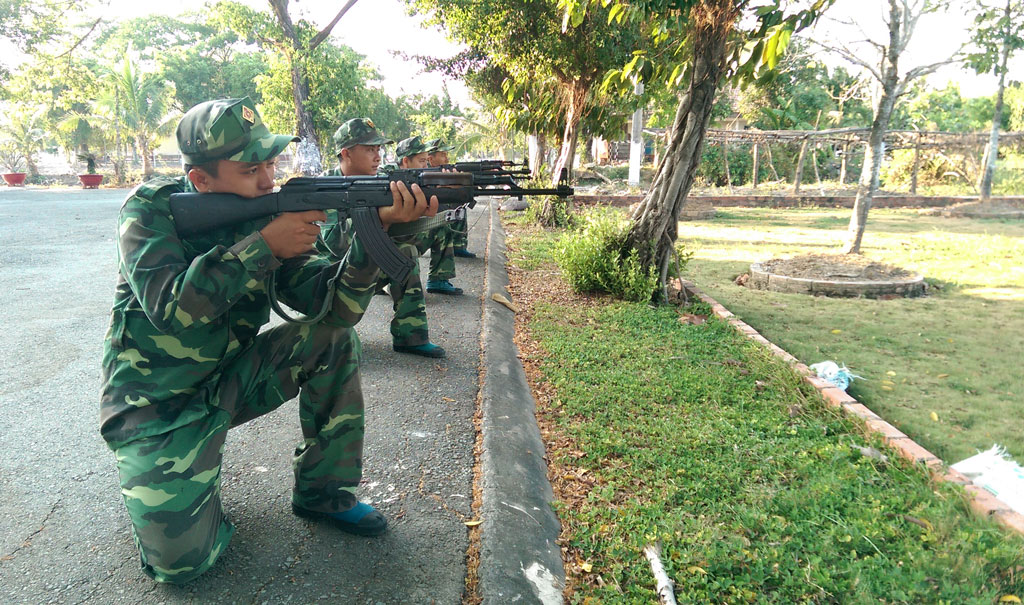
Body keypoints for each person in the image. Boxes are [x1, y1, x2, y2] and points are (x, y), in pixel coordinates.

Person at [99, 98, 437, 584]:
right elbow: (172, 310)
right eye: (251, 168)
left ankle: (324, 492)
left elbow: (336, 309)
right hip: (156, 409)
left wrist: (380, 231)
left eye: (271, 163)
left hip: (229, 383)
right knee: (183, 568)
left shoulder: (270, 214)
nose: (267, 179)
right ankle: (184, 478)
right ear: (201, 182)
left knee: (332, 340)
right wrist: (265, 247)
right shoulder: (151, 212)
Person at [323, 119, 448, 359]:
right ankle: (328, 333)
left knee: (405, 252)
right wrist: (383, 218)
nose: (377, 156)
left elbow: (405, 236)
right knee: (335, 354)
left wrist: (421, 206)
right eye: (370, 149)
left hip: (363, 270)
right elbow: (332, 245)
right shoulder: (323, 187)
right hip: (329, 279)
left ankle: (411, 334)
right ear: (346, 153)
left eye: (379, 149)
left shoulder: (384, 181)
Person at [395, 135, 463, 296]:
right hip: (389, 246)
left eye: (426, 160)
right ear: (405, 161)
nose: (426, 165)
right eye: (421, 161)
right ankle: (386, 281)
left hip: (406, 236)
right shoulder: (386, 176)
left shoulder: (419, 179)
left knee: (441, 225)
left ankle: (438, 279)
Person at [426, 137, 475, 258]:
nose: (447, 158)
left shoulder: (443, 171)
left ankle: (458, 246)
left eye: (446, 154)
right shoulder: (424, 174)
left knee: (460, 203)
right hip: (427, 214)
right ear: (431, 159)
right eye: (443, 155)